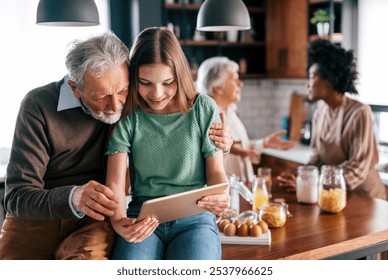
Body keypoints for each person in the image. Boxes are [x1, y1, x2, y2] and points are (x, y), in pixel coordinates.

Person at [0, 31, 232, 260]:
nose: (115, 106)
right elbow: (16, 197)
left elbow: (188, 139)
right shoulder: (39, 105)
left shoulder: (133, 105)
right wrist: (73, 198)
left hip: (95, 218)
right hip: (39, 217)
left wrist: (223, 144)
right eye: (101, 97)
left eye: (122, 91)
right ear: (75, 88)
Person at [105, 27, 229, 260]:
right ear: (133, 79)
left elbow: (216, 173)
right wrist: (119, 221)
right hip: (142, 216)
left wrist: (222, 194)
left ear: (180, 76)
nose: (157, 94)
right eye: (145, 82)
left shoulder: (203, 108)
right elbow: (116, 182)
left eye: (167, 82)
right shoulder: (129, 116)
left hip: (196, 218)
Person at [277, 39, 386, 200]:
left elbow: (357, 168)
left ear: (330, 79)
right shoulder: (320, 113)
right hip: (332, 196)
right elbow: (317, 158)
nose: (308, 84)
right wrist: (301, 175)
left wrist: (313, 184)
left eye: (312, 77)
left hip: (364, 198)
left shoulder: (360, 113)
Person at [196, 56, 295, 185]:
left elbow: (239, 148)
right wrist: (224, 149)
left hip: (241, 191)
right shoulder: (207, 119)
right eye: (234, 79)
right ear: (217, 88)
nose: (240, 84)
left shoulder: (230, 111)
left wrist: (264, 143)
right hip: (225, 195)